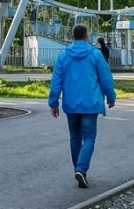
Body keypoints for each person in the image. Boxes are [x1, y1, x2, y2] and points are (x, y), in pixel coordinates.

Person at [47, 24, 116, 189]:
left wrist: (53, 102)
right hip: (90, 103)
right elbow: (105, 78)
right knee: (89, 138)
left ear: (73, 36)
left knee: (75, 138)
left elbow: (56, 80)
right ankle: (81, 169)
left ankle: (78, 169)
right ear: (86, 36)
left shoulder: (63, 55)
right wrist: (111, 96)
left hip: (71, 103)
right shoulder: (95, 54)